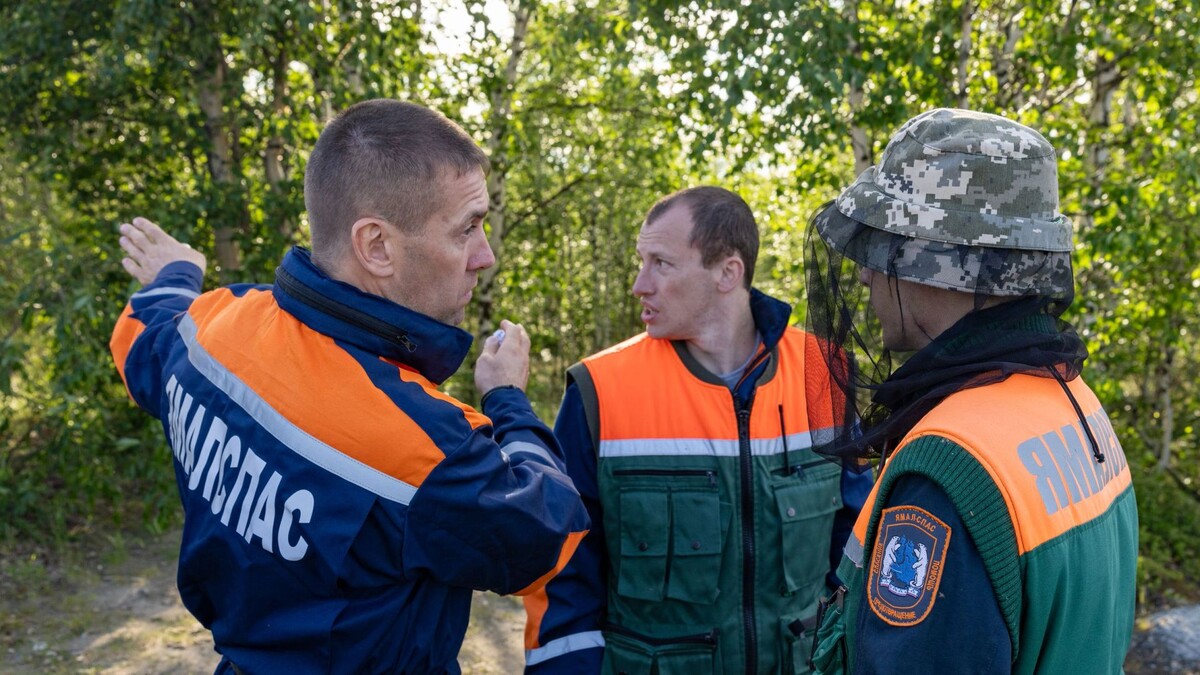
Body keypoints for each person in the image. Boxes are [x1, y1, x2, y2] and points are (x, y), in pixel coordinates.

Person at [108, 99, 590, 674]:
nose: (485, 256)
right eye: (467, 228)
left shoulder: (214, 326)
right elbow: (549, 534)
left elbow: (144, 338)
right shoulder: (423, 445)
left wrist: (176, 273)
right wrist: (507, 399)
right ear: (377, 246)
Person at [805, 108, 1138, 674]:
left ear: (933, 260)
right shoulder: (1070, 401)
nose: (865, 274)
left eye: (883, 246)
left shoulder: (949, 467)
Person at [522, 186, 873, 674]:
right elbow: (563, 576)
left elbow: (858, 547)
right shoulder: (599, 390)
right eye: (641, 262)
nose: (639, 285)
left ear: (728, 272)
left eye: (661, 264)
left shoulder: (824, 373)